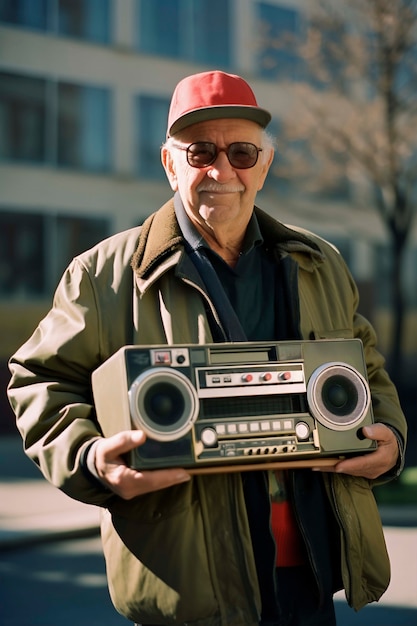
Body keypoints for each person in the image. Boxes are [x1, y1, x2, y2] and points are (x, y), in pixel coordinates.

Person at [8, 70, 406, 626]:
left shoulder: (319, 263)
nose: (222, 171)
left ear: (264, 167)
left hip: (309, 576)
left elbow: (364, 363)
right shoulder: (102, 276)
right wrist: (93, 459)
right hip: (192, 586)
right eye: (200, 152)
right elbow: (38, 381)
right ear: (170, 164)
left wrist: (389, 436)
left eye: (242, 153)